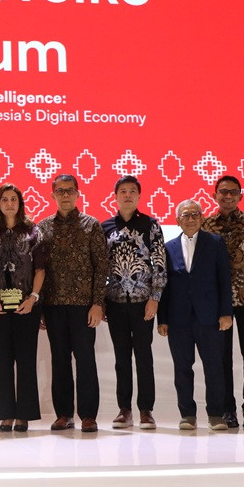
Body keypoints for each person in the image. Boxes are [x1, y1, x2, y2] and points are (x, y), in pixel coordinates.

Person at [38, 174, 108, 433]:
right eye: (60, 191)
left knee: (86, 360)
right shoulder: (43, 227)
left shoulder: (92, 225)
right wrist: (40, 308)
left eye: (70, 191)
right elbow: (39, 269)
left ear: (78, 194)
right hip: (53, 305)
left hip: (84, 306)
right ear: (53, 195)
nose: (65, 195)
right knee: (59, 360)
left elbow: (101, 266)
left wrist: (98, 303)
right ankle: (64, 414)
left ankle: (88, 415)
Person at [202, 175, 244, 430]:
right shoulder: (206, 225)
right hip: (218, 304)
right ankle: (227, 410)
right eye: (223, 191)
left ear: (241, 196)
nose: (228, 196)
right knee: (221, 359)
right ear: (214, 195)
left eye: (233, 192)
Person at [159, 201, 233, 431]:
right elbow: (164, 286)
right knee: (182, 367)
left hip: (209, 317)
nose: (190, 219)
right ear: (177, 220)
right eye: (185, 215)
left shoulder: (215, 243)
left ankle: (216, 414)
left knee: (214, 366)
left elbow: (224, 280)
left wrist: (226, 313)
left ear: (202, 218)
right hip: (178, 318)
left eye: (195, 215)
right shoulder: (168, 247)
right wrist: (162, 319)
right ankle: (187, 414)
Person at [102, 175, 167, 430]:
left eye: (132, 191)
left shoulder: (150, 225)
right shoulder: (105, 227)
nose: (127, 195)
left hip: (143, 302)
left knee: (143, 356)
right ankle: (124, 409)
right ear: (115, 196)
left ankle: (145, 410)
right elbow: (101, 266)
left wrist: (155, 298)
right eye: (123, 191)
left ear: (139, 196)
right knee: (121, 358)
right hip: (115, 301)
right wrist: (101, 300)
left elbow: (159, 263)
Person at [0, 183, 48, 433]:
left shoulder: (33, 231)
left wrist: (33, 298)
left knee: (26, 359)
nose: (9, 203)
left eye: (13, 199)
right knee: (1, 360)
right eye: (4, 199)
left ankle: (24, 415)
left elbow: (40, 269)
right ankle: (5, 415)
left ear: (20, 203)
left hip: (26, 305)